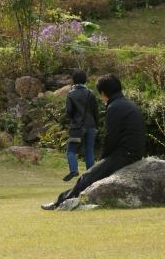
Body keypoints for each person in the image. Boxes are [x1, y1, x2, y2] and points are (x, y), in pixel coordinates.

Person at [42, 74, 146, 210]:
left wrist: (103, 159)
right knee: (92, 171)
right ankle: (62, 200)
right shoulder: (128, 104)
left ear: (103, 93)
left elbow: (111, 138)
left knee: (88, 175)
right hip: (133, 152)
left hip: (124, 154)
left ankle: (60, 203)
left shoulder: (114, 107)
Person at [63, 70, 99, 182]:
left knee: (71, 150)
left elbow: (69, 112)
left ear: (73, 80)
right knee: (89, 151)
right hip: (91, 126)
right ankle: (90, 174)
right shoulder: (91, 93)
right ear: (85, 80)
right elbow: (95, 111)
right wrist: (95, 125)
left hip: (77, 128)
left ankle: (74, 169)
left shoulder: (71, 94)